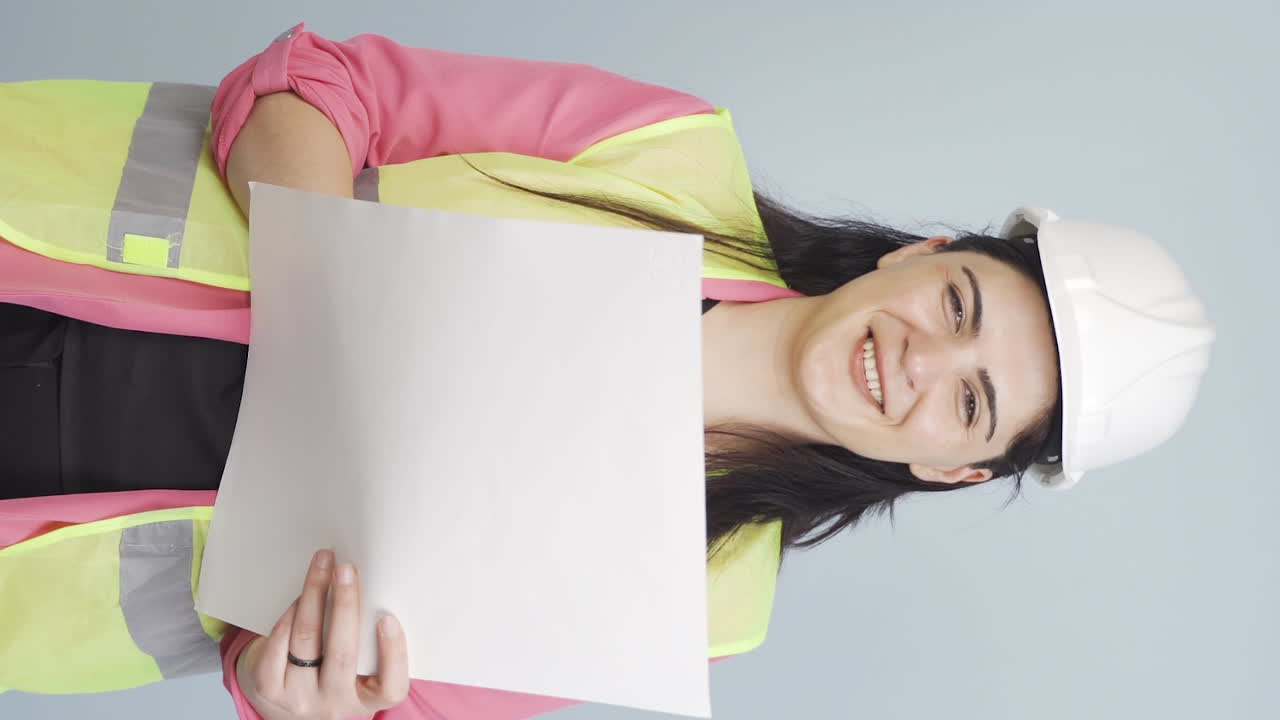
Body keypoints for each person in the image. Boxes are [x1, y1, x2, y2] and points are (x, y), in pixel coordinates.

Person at [0, 23, 1214, 720]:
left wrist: (299, 694)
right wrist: (329, 287)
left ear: (950, 470)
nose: (918, 357)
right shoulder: (670, 155)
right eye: (957, 306)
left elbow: (370, 698)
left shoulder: (697, 613)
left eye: (970, 400)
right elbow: (319, 80)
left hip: (39, 546)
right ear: (924, 250)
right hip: (31, 225)